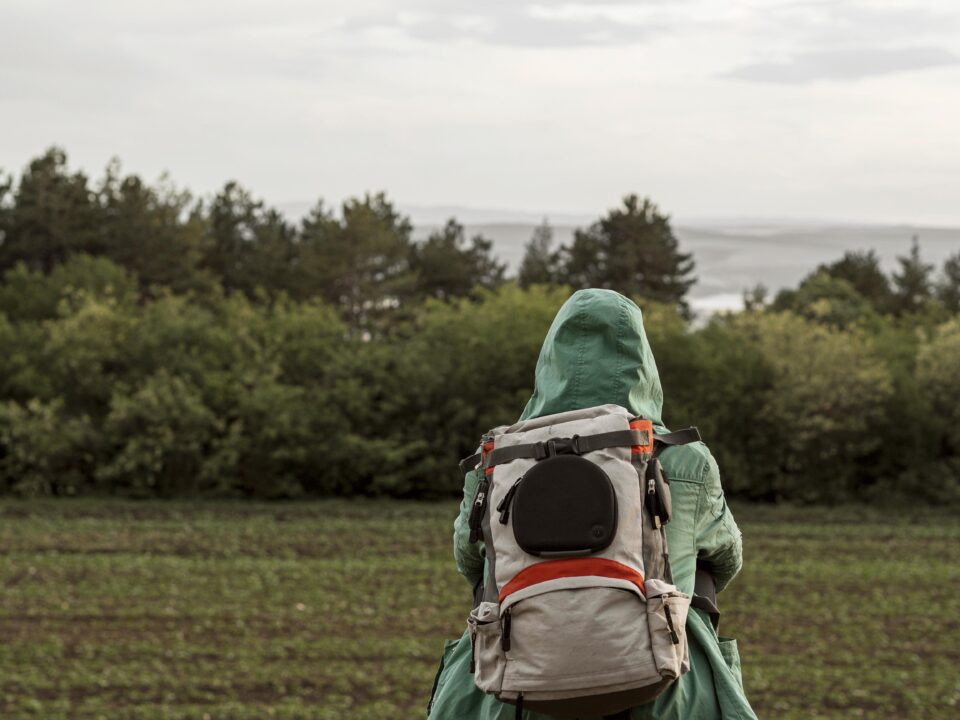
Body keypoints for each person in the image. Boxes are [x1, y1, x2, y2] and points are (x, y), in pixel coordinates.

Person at [427, 288, 757, 720]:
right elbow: (725, 559)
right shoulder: (686, 459)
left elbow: (471, 563)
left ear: (549, 365)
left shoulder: (495, 462)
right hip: (663, 681)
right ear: (643, 365)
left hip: (519, 683)